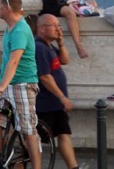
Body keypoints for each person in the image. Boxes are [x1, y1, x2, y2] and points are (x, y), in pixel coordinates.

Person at [0, 0, 42, 169]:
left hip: (23, 83)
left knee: (28, 130)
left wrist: (2, 85)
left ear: (6, 8)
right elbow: (5, 60)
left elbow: (14, 60)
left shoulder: (20, 29)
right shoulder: (8, 26)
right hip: (5, 82)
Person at [35, 14, 83, 169]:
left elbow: (65, 60)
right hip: (45, 103)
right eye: (54, 25)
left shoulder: (49, 45)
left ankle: (73, 166)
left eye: (59, 25)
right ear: (42, 28)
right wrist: (62, 97)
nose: (58, 29)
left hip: (55, 103)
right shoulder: (39, 47)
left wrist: (61, 44)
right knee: (36, 142)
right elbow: (45, 77)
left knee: (64, 133)